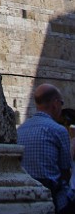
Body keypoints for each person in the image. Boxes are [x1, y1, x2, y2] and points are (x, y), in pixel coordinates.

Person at [17, 83, 75, 212]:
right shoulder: (58, 130)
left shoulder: (20, 130)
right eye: (61, 103)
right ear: (55, 103)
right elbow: (66, 171)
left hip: (26, 194)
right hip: (53, 197)